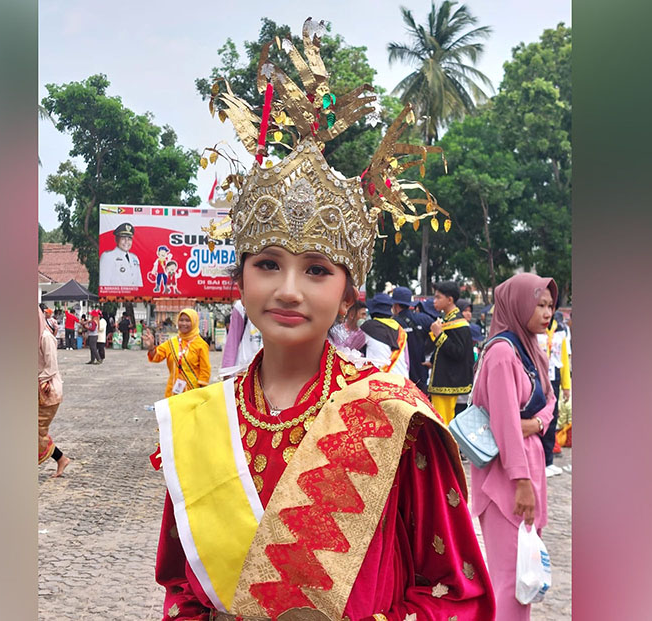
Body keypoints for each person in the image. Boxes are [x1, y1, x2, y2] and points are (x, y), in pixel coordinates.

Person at [152, 22, 494, 620]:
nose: (288, 290)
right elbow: (184, 589)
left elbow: (456, 591)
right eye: (267, 264)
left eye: (316, 270)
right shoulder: (204, 423)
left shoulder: (395, 418)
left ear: (348, 293)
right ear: (240, 282)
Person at [469, 273, 558, 621]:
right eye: (539, 304)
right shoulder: (503, 354)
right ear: (519, 305)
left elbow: (551, 402)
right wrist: (521, 482)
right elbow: (503, 424)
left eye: (550, 305)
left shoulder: (532, 350)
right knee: (510, 580)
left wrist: (532, 424)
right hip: (508, 475)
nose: (547, 312)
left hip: (528, 464)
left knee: (526, 575)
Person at [427, 281, 474, 425]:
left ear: (450, 300)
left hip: (449, 385)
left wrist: (439, 335)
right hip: (444, 383)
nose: (435, 301)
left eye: (438, 297)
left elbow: (458, 352)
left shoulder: (459, 323)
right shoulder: (447, 320)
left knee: (444, 425)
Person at [144, 308, 211, 398]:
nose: (184, 323)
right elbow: (157, 356)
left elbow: (205, 370)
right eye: (181, 320)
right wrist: (151, 347)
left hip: (192, 393)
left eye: (188, 321)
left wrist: (201, 393)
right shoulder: (172, 342)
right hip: (173, 392)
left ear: (195, 322)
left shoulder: (201, 344)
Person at [536, 310, 572, 477]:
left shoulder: (560, 333)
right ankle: (538, 460)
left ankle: (548, 460)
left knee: (552, 418)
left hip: (554, 379)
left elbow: (564, 360)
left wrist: (566, 385)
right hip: (537, 379)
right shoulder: (535, 332)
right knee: (538, 418)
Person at [38, 305, 70, 477]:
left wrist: (39, 380)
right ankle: (61, 458)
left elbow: (51, 368)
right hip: (35, 389)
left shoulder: (45, 337)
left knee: (36, 431)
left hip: (48, 391)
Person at [391, 286, 432, 393]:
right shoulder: (424, 319)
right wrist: (430, 359)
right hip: (421, 373)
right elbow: (439, 336)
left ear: (395, 305)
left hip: (402, 374)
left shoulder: (393, 323)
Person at [360, 293, 409, 377]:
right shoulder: (400, 330)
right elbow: (407, 361)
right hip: (402, 379)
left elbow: (351, 346)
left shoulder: (367, 327)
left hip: (381, 380)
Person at [220, 298, 263, 376]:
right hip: (243, 369)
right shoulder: (241, 307)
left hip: (268, 370)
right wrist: (227, 371)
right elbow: (233, 340)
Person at [99, 222, 143, 287]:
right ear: (116, 239)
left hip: (134, 296)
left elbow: (139, 283)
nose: (126, 242)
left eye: (129, 239)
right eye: (123, 238)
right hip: (115, 296)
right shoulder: (108, 256)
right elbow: (104, 283)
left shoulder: (134, 258)